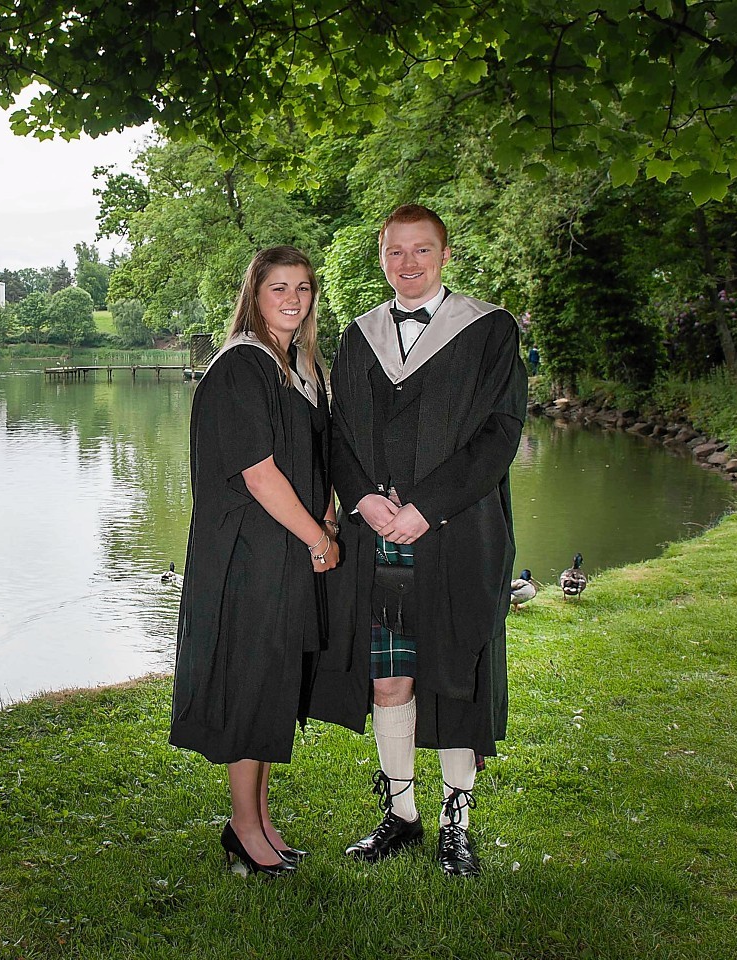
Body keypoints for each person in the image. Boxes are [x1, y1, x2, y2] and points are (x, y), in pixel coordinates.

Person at [309, 204, 527, 877]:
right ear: (380, 256)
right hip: (379, 536)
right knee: (389, 679)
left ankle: (455, 823)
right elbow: (336, 434)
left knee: (455, 678)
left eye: (421, 250)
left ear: (445, 255)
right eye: (395, 251)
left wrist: (426, 508)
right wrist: (365, 500)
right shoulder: (359, 336)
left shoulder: (488, 331)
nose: (407, 264)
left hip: (458, 533)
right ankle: (400, 814)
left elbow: (499, 434)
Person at [170, 246, 340, 877]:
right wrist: (318, 539)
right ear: (255, 295)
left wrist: (323, 517)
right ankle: (243, 828)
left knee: (272, 685)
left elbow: (311, 459)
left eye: (302, 288)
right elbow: (260, 474)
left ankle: (262, 819)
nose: (292, 299)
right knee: (250, 685)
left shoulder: (296, 366)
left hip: (283, 548)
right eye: (278, 289)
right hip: (246, 552)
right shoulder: (243, 365)